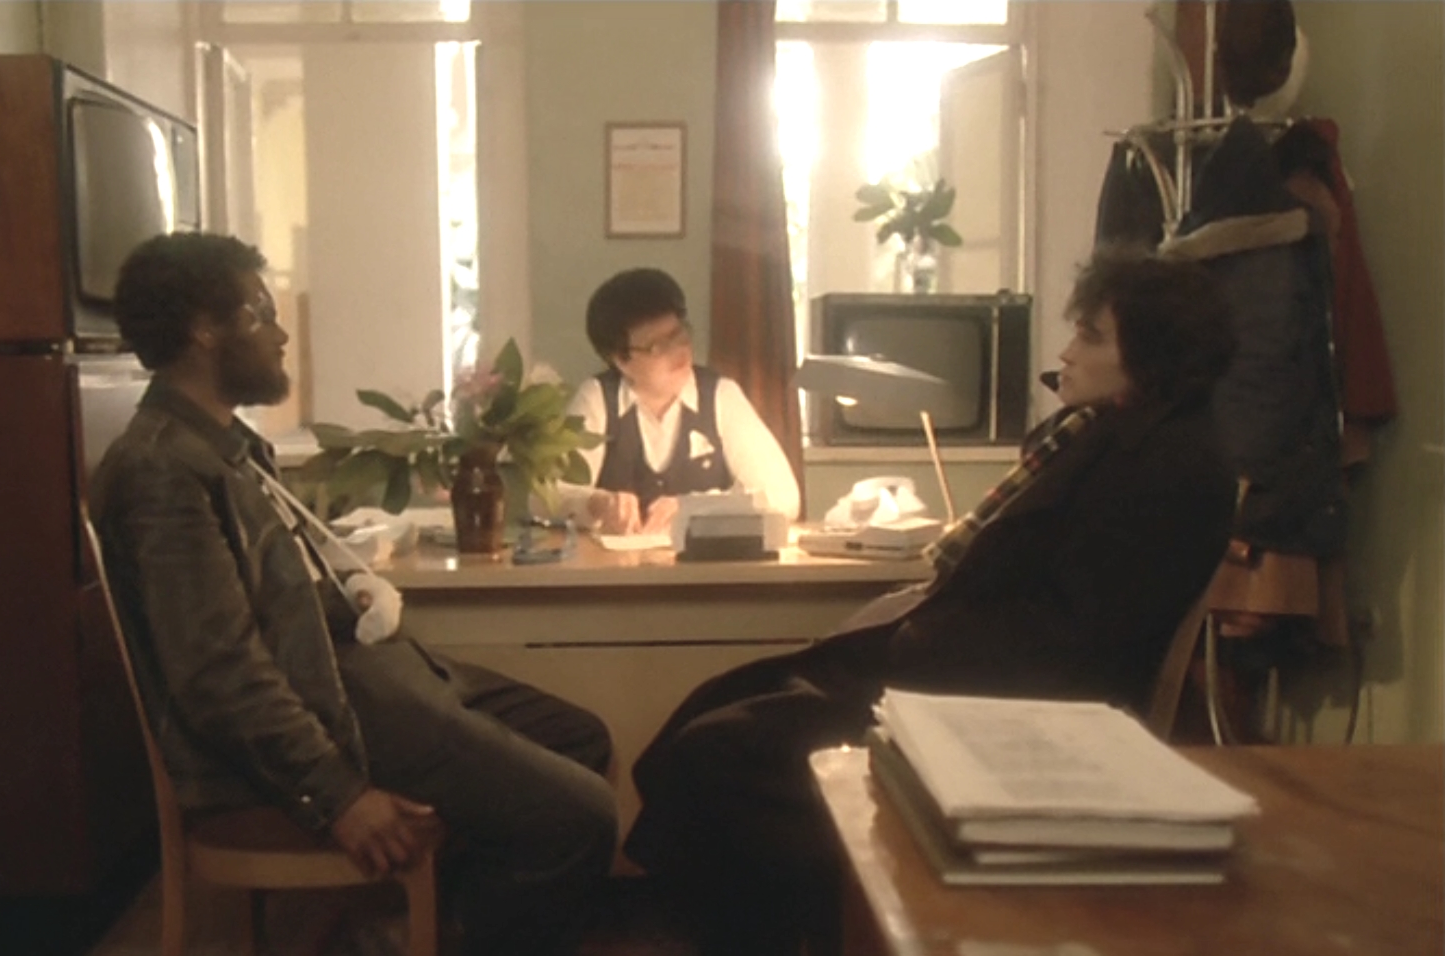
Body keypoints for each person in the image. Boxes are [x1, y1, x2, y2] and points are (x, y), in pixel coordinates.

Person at [623, 247, 1241, 956]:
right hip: (952, 674)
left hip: (997, 713)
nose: (1066, 352)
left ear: (1153, 359)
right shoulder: (1095, 433)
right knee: (705, 715)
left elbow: (1075, 643)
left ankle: (818, 926)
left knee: (718, 755)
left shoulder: (1172, 469)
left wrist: (909, 642)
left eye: (1091, 336)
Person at [89, 232, 617, 956]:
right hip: (337, 711)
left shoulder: (225, 445)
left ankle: (426, 926)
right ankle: (435, 936)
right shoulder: (162, 470)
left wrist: (351, 593)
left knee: (582, 738)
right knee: (581, 818)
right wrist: (337, 794)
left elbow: (272, 598)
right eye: (260, 314)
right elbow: (218, 674)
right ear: (204, 330)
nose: (280, 335)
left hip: (366, 677)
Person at [559, 267, 800, 533]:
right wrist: (596, 503)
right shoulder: (598, 397)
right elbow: (545, 494)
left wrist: (697, 506)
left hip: (704, 559)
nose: (678, 350)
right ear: (621, 360)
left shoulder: (720, 395)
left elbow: (783, 498)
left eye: (679, 335)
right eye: (658, 347)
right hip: (617, 558)